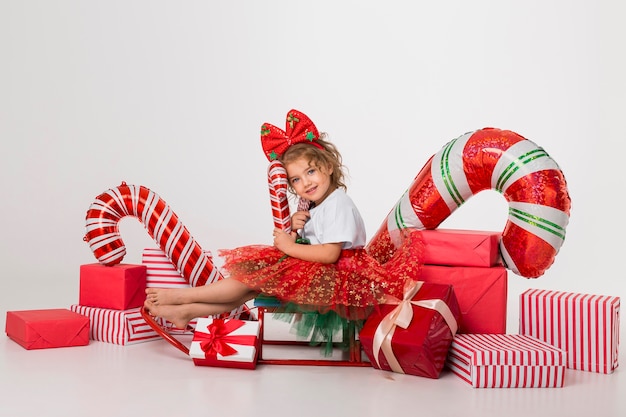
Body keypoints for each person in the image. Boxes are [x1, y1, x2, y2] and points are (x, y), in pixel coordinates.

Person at [144, 109, 423, 332]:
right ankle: (186, 311)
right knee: (250, 286)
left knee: (252, 277)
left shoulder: (338, 202)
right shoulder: (319, 204)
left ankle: (183, 297)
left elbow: (329, 253)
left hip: (343, 276)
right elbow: (318, 242)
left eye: (311, 171)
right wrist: (301, 224)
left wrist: (289, 247)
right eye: (296, 180)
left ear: (327, 166)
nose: (305, 183)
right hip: (327, 270)